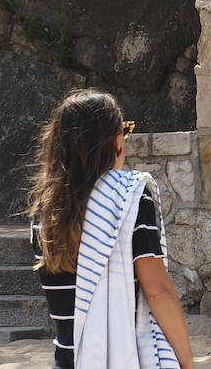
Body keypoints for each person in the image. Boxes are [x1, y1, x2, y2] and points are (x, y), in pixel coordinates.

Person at [28, 89, 194, 369]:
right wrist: (187, 363)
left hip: (68, 360)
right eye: (124, 132)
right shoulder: (129, 199)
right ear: (115, 142)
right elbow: (158, 291)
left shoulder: (43, 212)